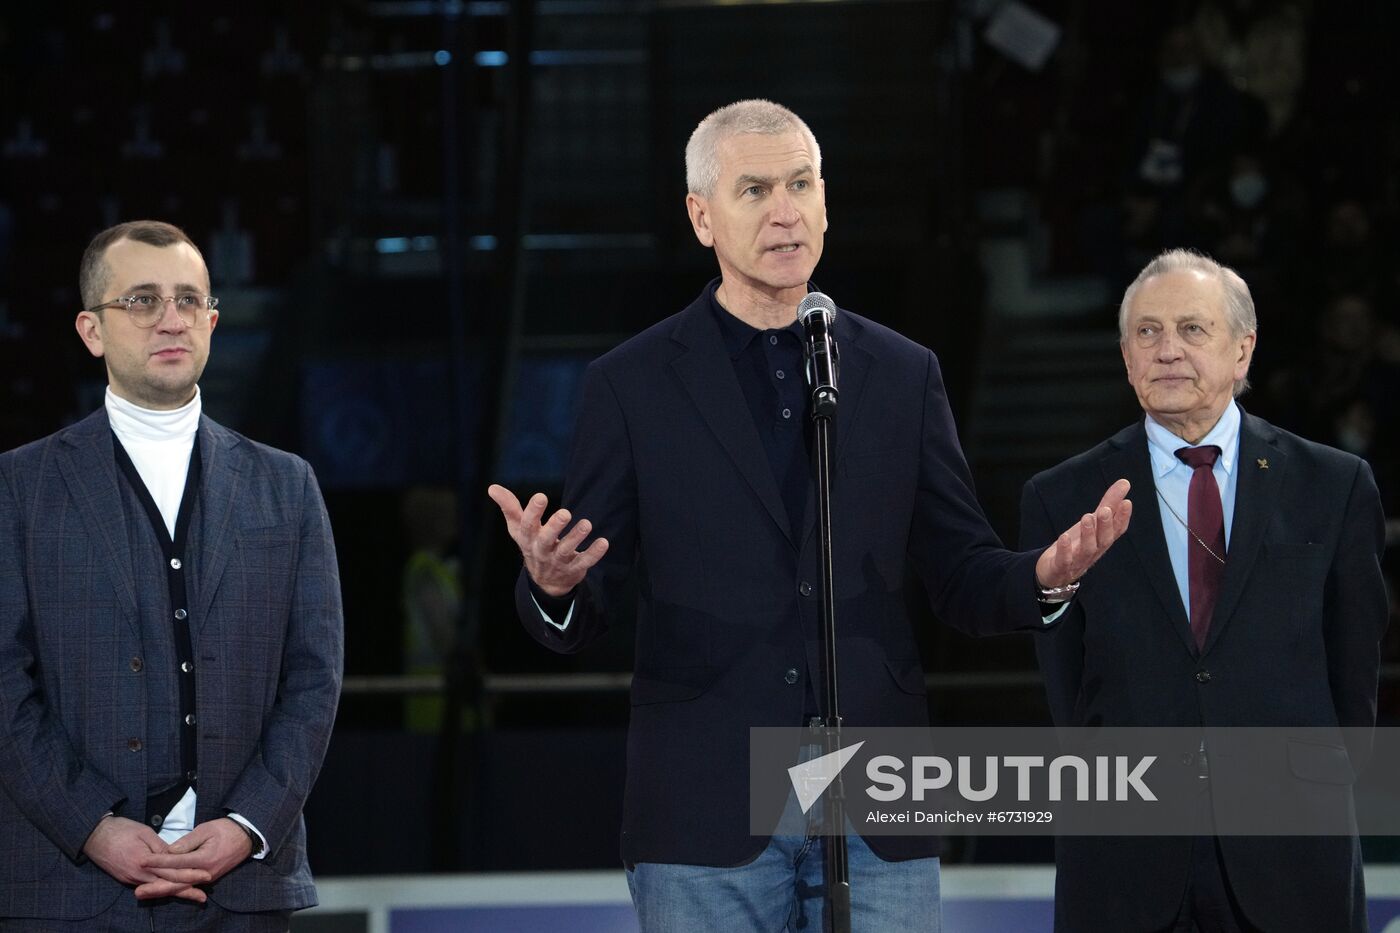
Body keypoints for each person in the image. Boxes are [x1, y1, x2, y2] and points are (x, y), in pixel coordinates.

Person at [488, 99, 1131, 932]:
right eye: (755, 189)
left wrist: (1042, 576)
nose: (786, 210)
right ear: (702, 217)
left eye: (802, 183)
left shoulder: (902, 373)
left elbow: (961, 571)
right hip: (705, 805)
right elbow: (585, 602)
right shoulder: (634, 382)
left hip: (876, 798)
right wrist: (554, 584)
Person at [1021, 249, 1388, 933]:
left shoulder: (1333, 486)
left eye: (1193, 329)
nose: (1168, 350)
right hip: (1125, 858)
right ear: (1126, 356)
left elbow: (1353, 679)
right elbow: (1067, 689)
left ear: (1242, 349)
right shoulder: (1063, 498)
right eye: (1148, 332)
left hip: (1293, 852)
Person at [0, 220, 344, 931]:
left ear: (213, 322)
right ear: (92, 330)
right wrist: (93, 824)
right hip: (71, 889)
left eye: (189, 300)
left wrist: (248, 822)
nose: (171, 319)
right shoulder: (20, 487)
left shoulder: (287, 486)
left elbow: (314, 679)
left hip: (242, 887)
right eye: (143, 300)